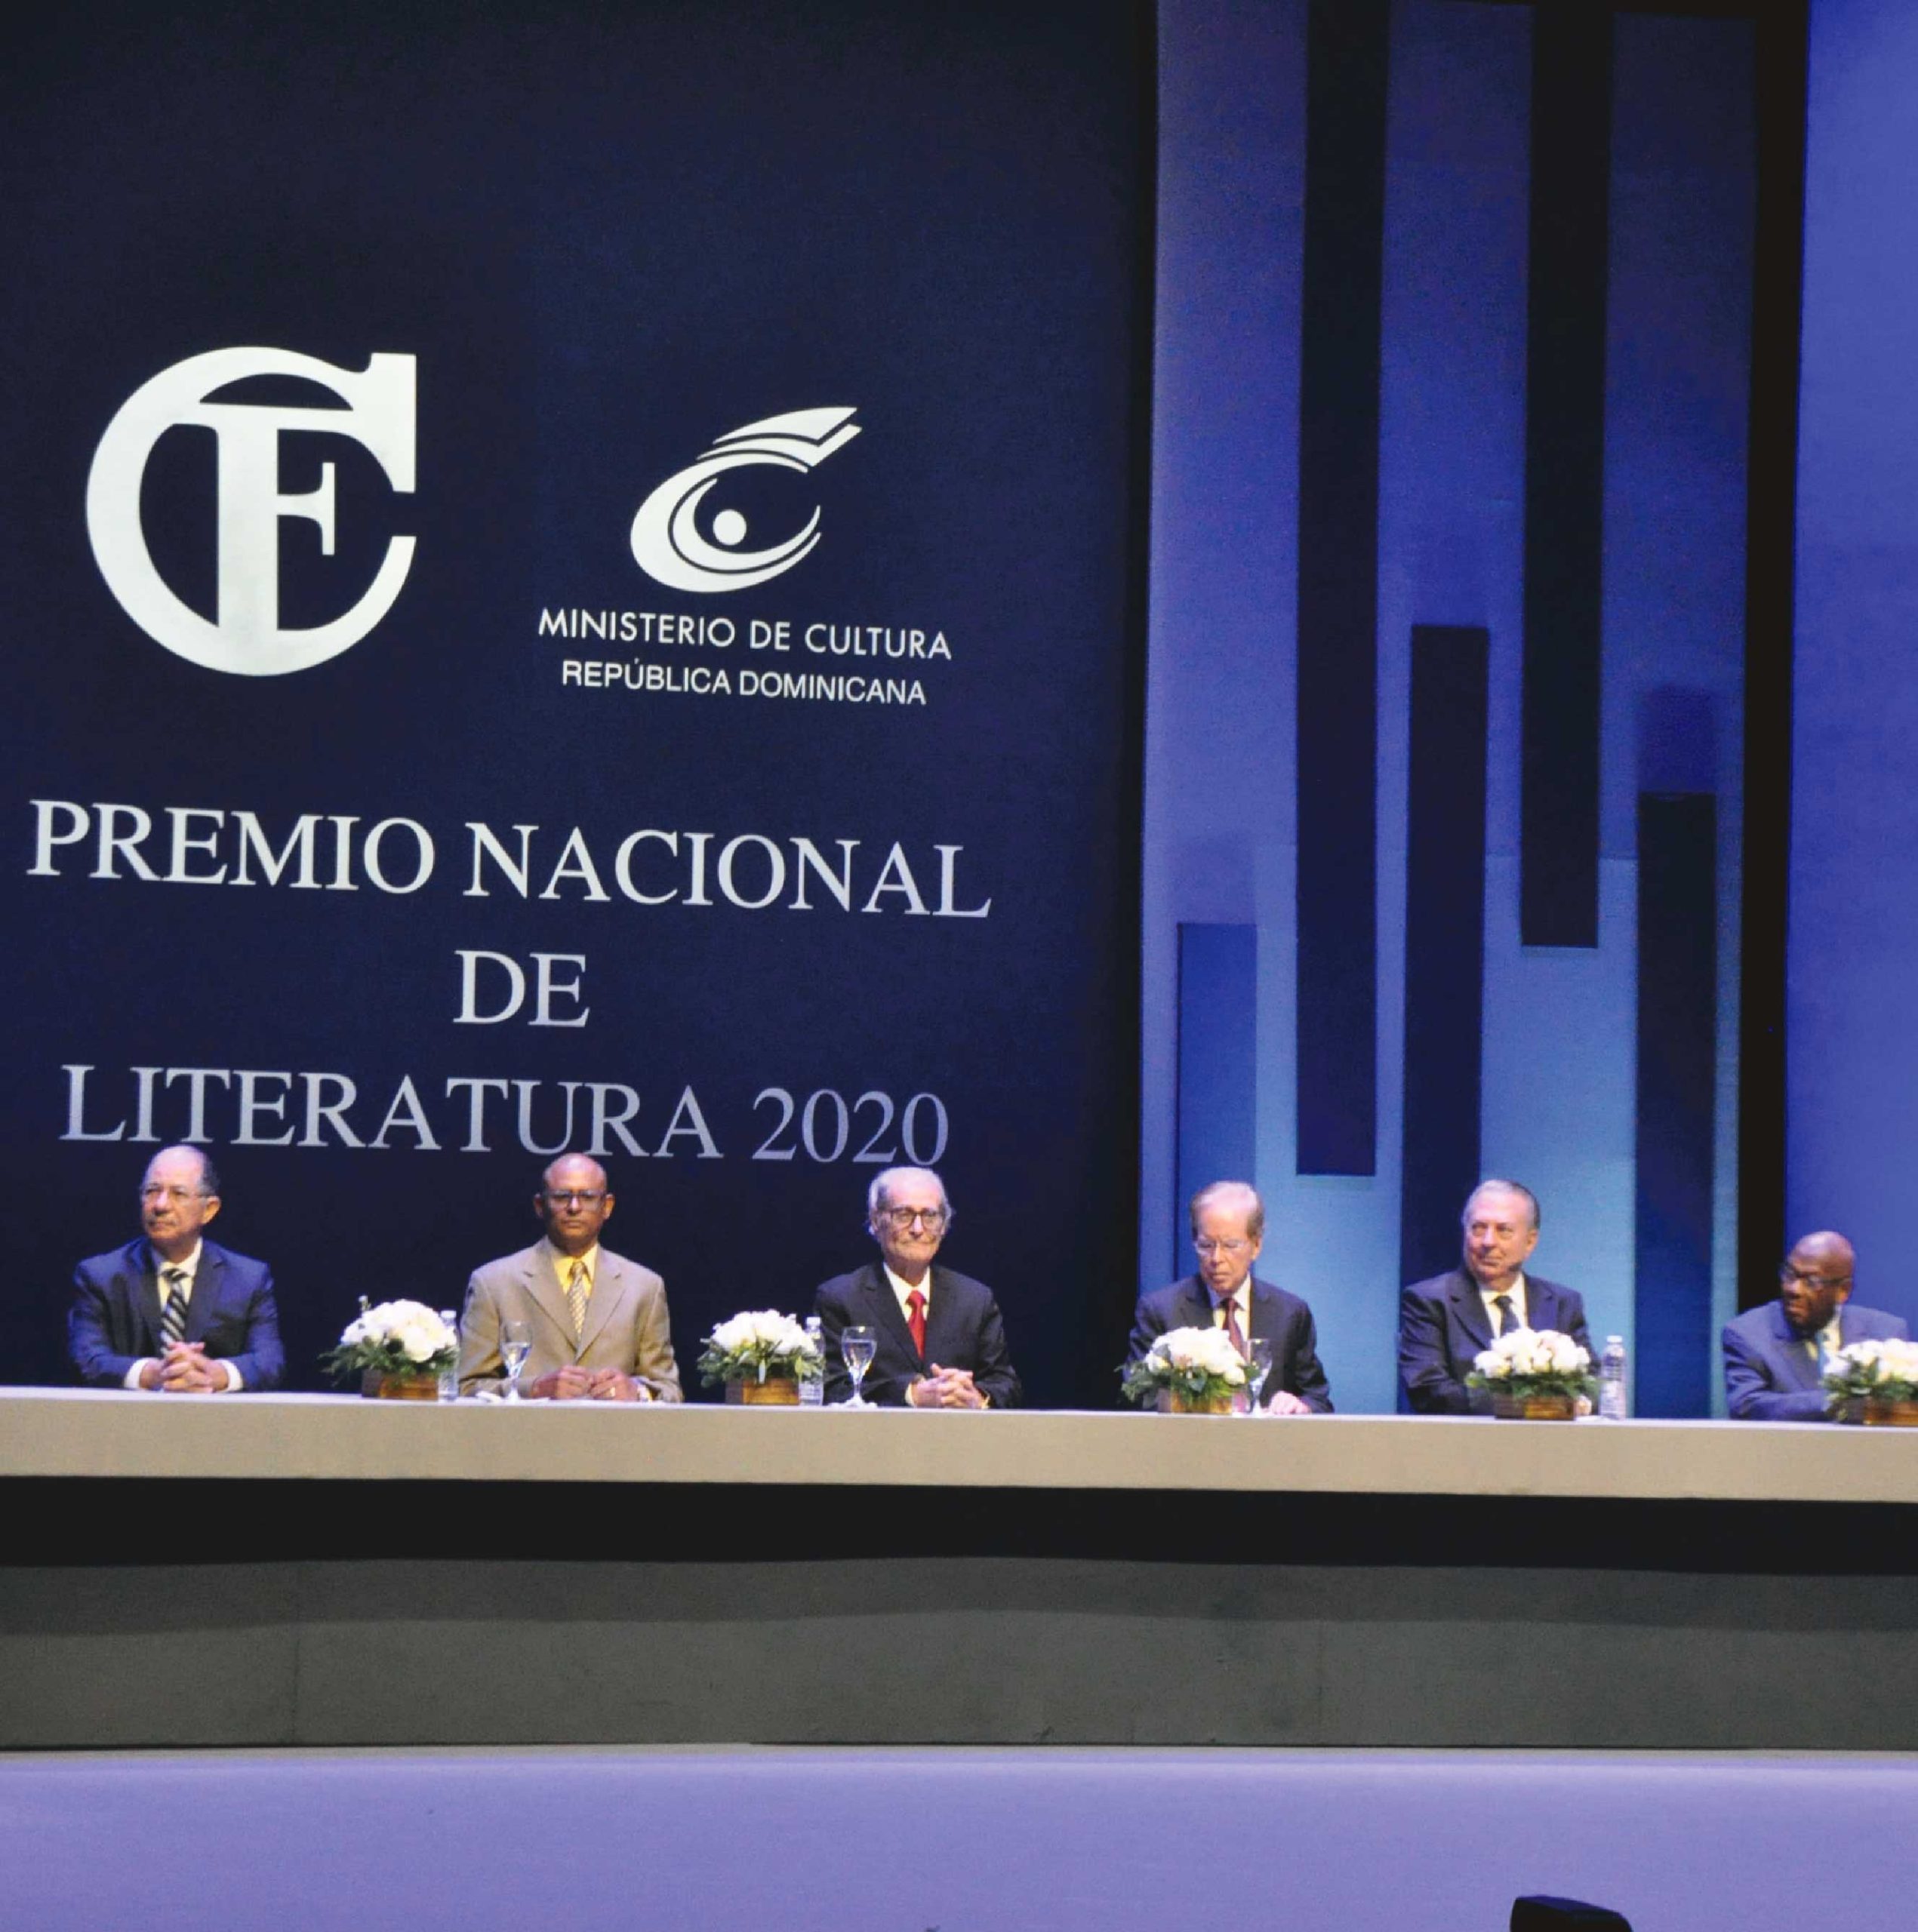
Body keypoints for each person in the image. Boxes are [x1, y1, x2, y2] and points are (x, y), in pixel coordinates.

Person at [458, 1152, 681, 1401]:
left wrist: (637, 1392)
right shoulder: (493, 1283)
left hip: (614, 1426)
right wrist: (533, 1389)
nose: (574, 1207)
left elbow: (669, 1390)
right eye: (562, 1197)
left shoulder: (644, 1286)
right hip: (527, 1426)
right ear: (540, 1206)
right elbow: (467, 1387)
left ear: (607, 1207)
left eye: (587, 1197)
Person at [68, 1146, 284, 1392]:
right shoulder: (100, 1276)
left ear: (209, 1209)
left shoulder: (248, 1279)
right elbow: (86, 1359)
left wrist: (214, 1374)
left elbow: (269, 1362)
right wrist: (153, 1374)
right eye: (152, 1191)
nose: (160, 1205)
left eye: (178, 1194)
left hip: (216, 1414)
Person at [812, 1167, 1021, 1407]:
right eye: (904, 1215)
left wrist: (976, 1398)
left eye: (930, 1216)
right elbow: (830, 1389)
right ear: (876, 1220)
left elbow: (1005, 1385)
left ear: (943, 1226)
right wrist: (911, 1395)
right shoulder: (841, 1298)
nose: (918, 1229)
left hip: (957, 1431)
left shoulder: (975, 1300)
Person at [1125, 1180, 1332, 1413]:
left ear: (1256, 1245)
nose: (1216, 1258)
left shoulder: (1289, 1313)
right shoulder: (1161, 1311)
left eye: (1230, 1245)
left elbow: (1318, 1399)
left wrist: (1301, 1406)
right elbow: (1137, 1397)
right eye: (1206, 1245)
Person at [1399, 1179, 1591, 1414]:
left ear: (1530, 1241)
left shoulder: (1563, 1303)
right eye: (1478, 1228)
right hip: (1462, 1436)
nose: (1488, 1242)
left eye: (1504, 1230)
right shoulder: (1429, 1300)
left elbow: (1591, 1386)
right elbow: (1428, 1391)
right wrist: (1528, 1407)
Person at [1723, 1230, 1909, 1420]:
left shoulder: (1885, 1333)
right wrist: (1837, 1402)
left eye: (1812, 1282)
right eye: (1789, 1274)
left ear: (1843, 1291)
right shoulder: (1748, 1333)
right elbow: (1746, 1407)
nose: (1793, 1289)